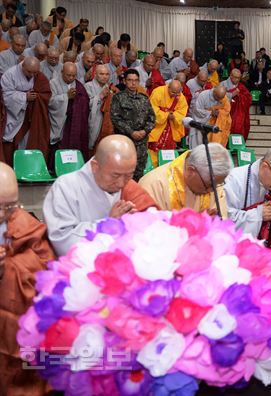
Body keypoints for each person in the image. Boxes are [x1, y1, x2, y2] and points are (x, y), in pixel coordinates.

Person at [43, 135, 158, 256]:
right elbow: (61, 241)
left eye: (129, 175)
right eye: (115, 176)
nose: (121, 183)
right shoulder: (66, 187)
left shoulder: (129, 187)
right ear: (95, 166)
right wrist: (107, 225)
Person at [0, 163, 54, 395]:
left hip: (17, 326)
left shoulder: (26, 223)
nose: (4, 214)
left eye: (10, 205)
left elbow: (46, 268)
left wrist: (9, 268)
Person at [225, 145, 271, 270]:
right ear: (264, 167)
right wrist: (258, 214)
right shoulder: (235, 180)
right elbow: (224, 219)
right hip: (236, 259)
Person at [139, 142, 231, 216]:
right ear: (191, 171)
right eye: (209, 185)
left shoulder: (214, 183)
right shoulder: (154, 185)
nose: (212, 191)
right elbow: (150, 231)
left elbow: (220, 224)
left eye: (217, 185)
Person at [1, 57, 51, 166]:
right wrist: (24, 96)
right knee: (11, 142)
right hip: (13, 114)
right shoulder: (9, 75)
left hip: (30, 116)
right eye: (29, 72)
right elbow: (5, 95)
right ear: (23, 66)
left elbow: (45, 91)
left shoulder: (38, 75)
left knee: (28, 141)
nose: (32, 75)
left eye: (35, 72)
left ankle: (25, 166)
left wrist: (37, 97)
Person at [110, 69, 156, 181]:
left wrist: (145, 131)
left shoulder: (144, 98)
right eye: (130, 80)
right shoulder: (118, 98)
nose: (133, 83)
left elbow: (152, 118)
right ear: (124, 81)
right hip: (125, 142)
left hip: (141, 144)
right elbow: (115, 118)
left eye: (136, 80)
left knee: (139, 174)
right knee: (122, 173)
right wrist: (131, 132)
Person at [48, 62, 91, 161]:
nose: (71, 78)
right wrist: (66, 97)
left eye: (74, 75)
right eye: (68, 75)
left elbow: (85, 103)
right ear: (62, 72)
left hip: (73, 122)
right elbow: (50, 102)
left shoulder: (79, 85)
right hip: (60, 122)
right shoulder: (53, 83)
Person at [147, 80, 188, 165]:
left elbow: (182, 111)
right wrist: (166, 115)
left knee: (169, 148)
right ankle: (154, 167)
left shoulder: (180, 97)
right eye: (173, 92)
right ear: (168, 87)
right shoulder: (158, 92)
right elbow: (152, 109)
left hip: (171, 127)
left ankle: (167, 167)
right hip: (158, 127)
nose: (175, 95)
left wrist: (174, 116)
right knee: (154, 147)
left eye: (178, 92)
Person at [86, 64, 118, 152]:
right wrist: (100, 96)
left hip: (104, 122)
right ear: (95, 74)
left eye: (107, 74)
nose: (105, 77)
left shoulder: (109, 87)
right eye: (101, 74)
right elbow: (85, 106)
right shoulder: (88, 86)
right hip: (92, 121)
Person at [220, 69, 252, 139]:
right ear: (231, 76)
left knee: (238, 129)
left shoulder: (241, 86)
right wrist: (232, 94)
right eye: (235, 77)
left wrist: (240, 96)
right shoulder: (223, 84)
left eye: (239, 78)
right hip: (226, 112)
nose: (237, 80)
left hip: (238, 113)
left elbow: (248, 99)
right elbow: (219, 97)